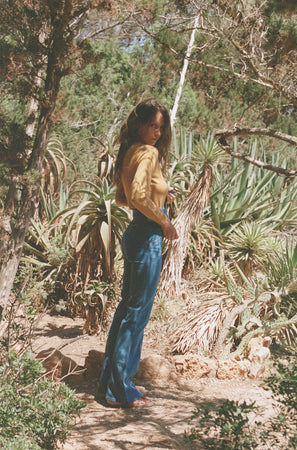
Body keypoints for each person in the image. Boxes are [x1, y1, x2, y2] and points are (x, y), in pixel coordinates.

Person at [96, 98, 178, 408]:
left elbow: (128, 195)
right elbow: (140, 197)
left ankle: (111, 385)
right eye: (151, 125)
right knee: (135, 316)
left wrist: (163, 196)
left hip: (135, 235)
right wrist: (165, 221)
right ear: (140, 125)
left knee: (126, 312)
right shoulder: (149, 152)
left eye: (160, 127)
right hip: (147, 237)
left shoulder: (130, 151)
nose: (156, 132)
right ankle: (121, 389)